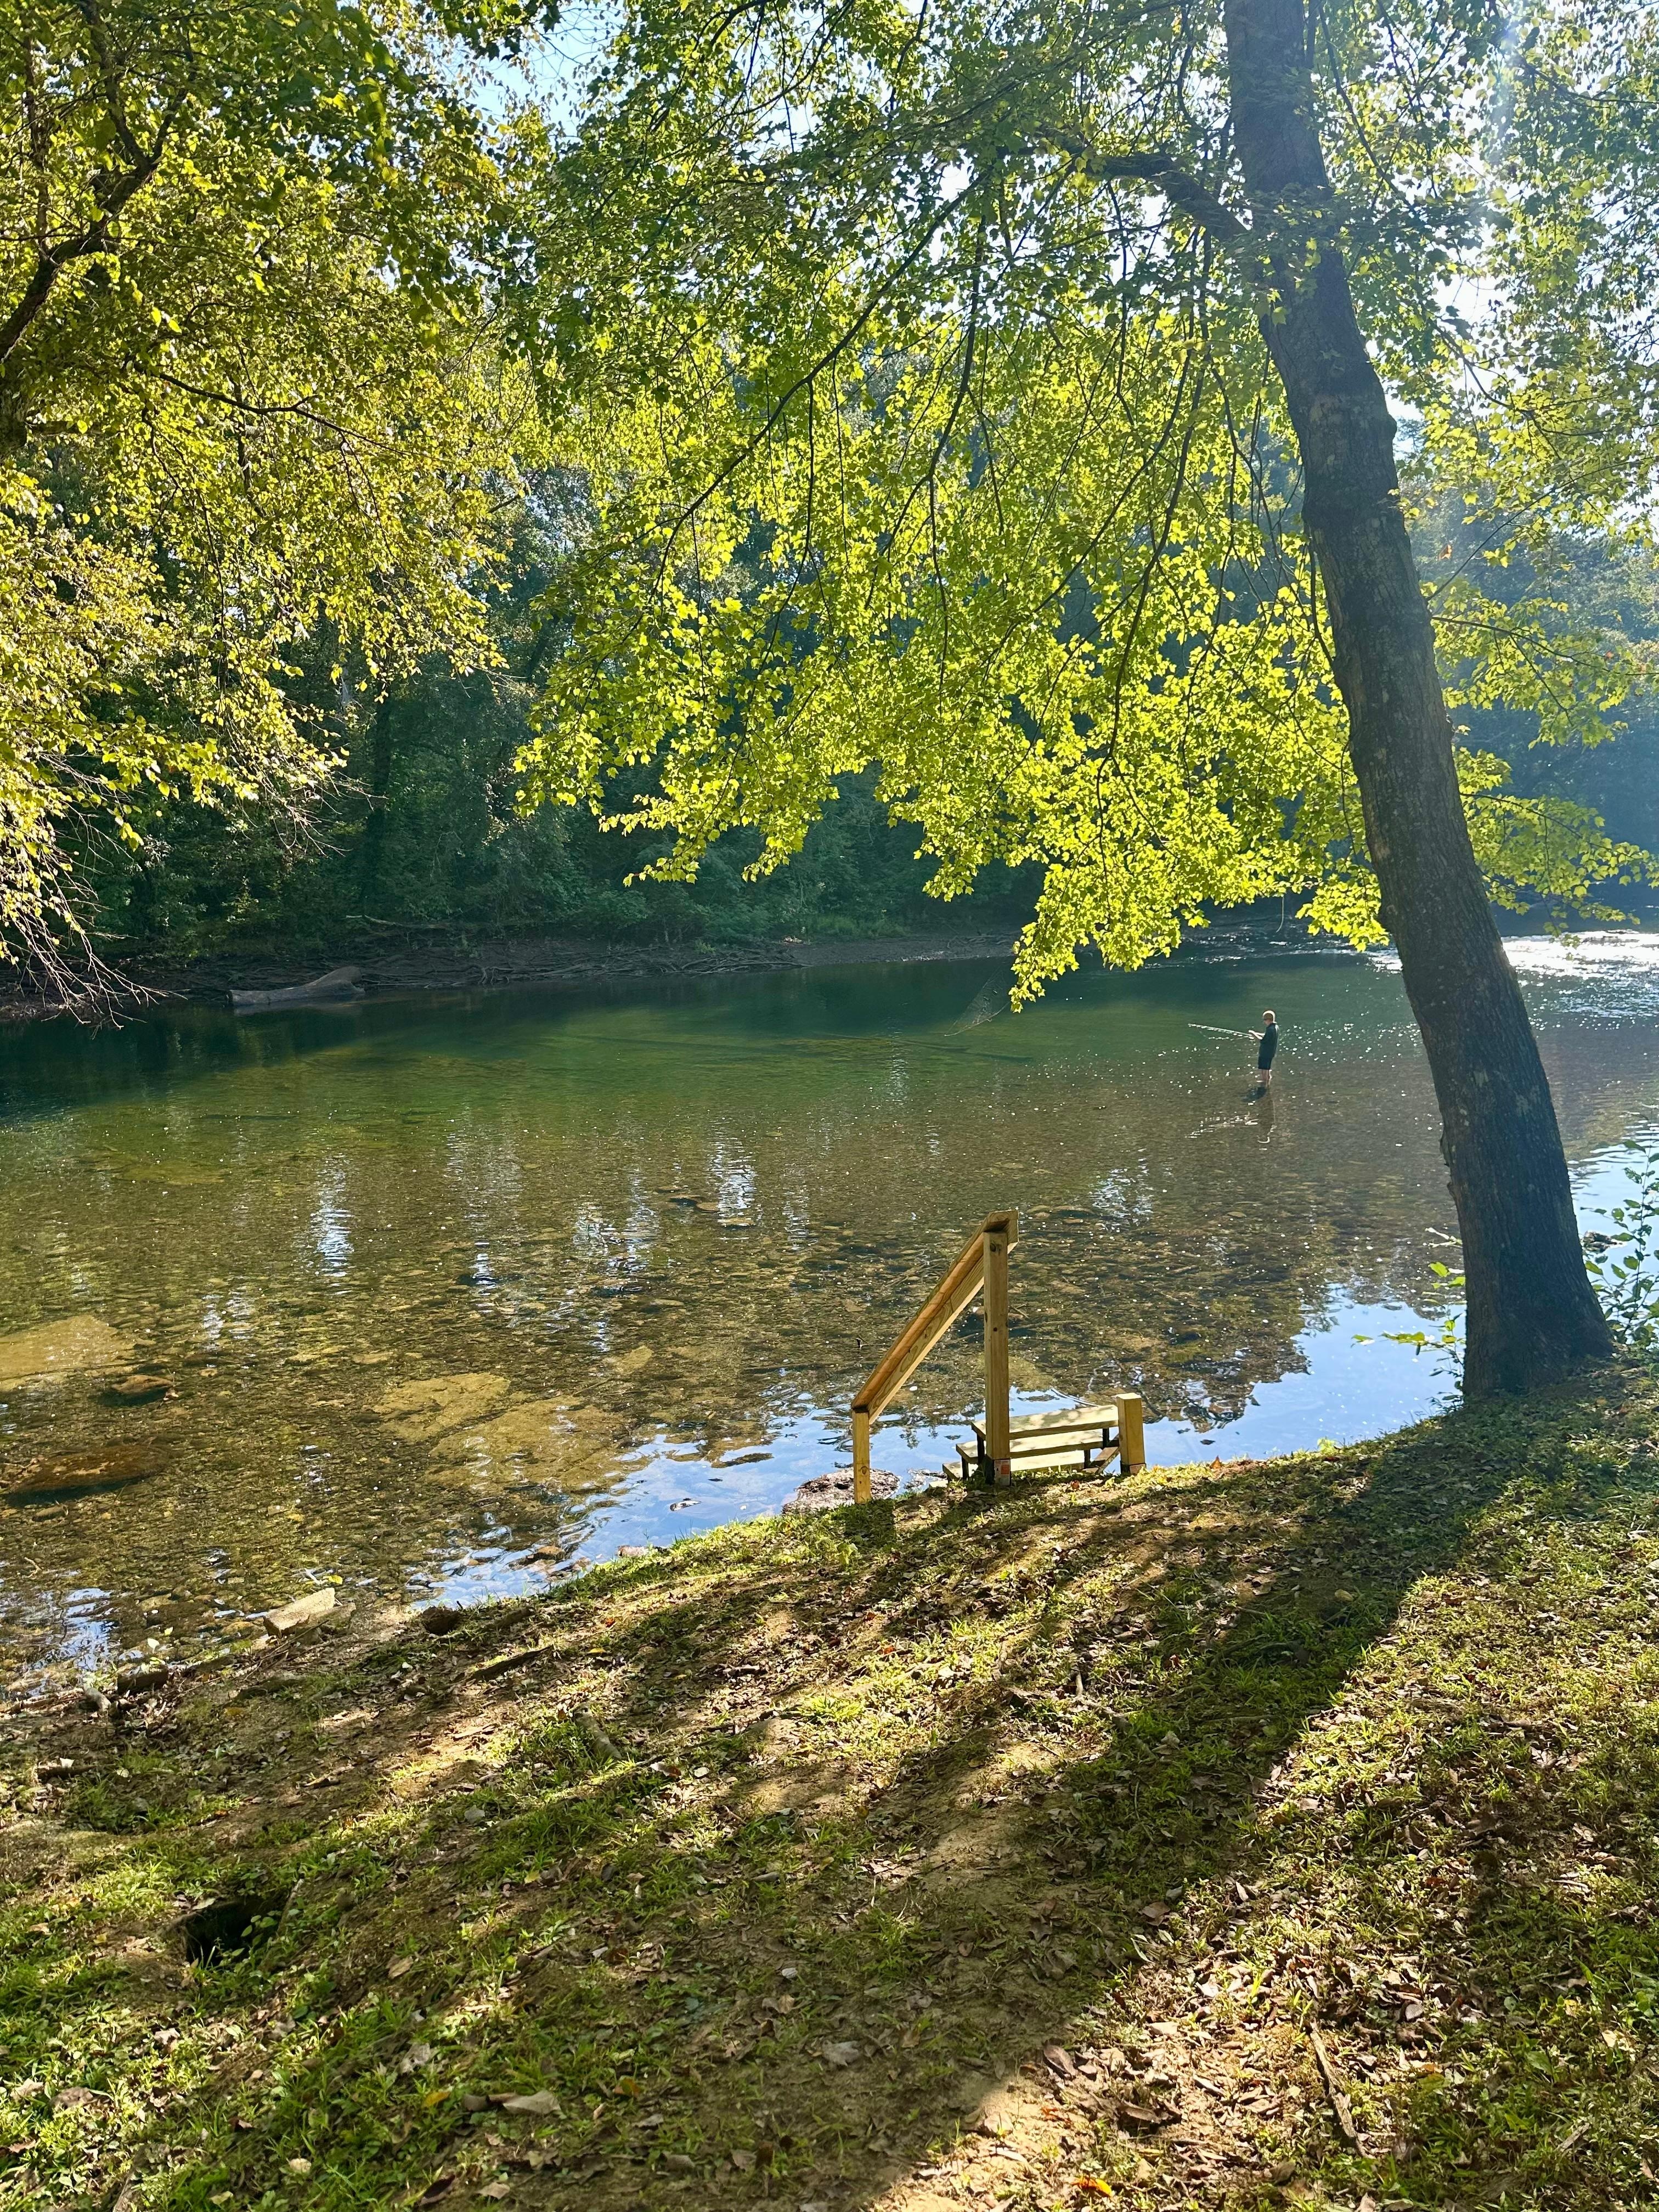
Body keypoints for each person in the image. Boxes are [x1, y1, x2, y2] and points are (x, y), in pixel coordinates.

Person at [1250, 1008, 1278, 1093]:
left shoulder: (1270, 1030)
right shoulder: (1274, 1027)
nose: (1264, 1022)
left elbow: (1263, 1040)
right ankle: (1268, 1083)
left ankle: (1264, 1083)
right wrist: (1257, 1033)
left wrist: (1254, 1035)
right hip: (1270, 1053)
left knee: (1264, 1069)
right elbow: (1266, 1036)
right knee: (1267, 1068)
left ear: (1269, 1020)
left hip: (1265, 1053)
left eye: (1265, 1020)